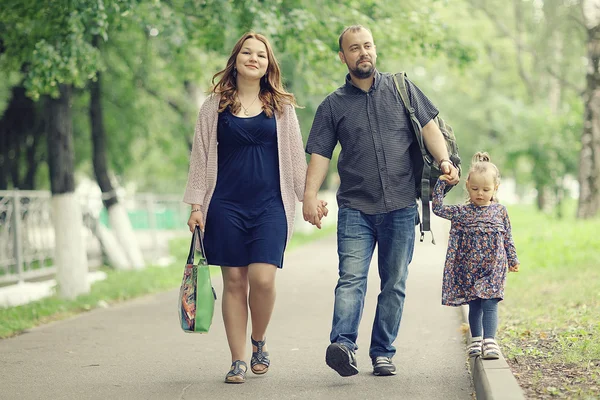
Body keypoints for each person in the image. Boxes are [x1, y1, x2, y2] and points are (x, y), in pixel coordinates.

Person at [302, 24, 460, 377]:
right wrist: (309, 195)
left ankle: (382, 352)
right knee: (351, 279)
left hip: (402, 206)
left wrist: (445, 159)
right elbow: (320, 154)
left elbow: (429, 128)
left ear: (375, 49)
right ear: (343, 57)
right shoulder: (333, 105)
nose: (363, 53)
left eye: (368, 46)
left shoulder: (402, 89)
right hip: (356, 208)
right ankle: (342, 345)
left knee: (394, 283)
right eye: (354, 48)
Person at [183, 31, 327, 384]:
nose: (253, 58)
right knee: (234, 281)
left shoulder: (281, 107)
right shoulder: (213, 105)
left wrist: (308, 197)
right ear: (236, 60)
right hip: (226, 205)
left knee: (262, 279)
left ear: (268, 64)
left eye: (260, 55)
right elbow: (200, 157)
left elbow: (295, 159)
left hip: (269, 205)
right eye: (247, 52)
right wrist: (196, 204)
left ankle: (259, 341)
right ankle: (237, 360)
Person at [432, 152, 520, 360]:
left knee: (490, 302)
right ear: (467, 186)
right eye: (475, 189)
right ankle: (476, 339)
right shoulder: (462, 212)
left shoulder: (500, 211)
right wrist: (440, 185)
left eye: (486, 189)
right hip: (470, 268)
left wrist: (513, 259)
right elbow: (437, 208)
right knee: (475, 304)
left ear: (495, 188)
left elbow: (508, 236)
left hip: (494, 268)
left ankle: (490, 342)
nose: (480, 193)